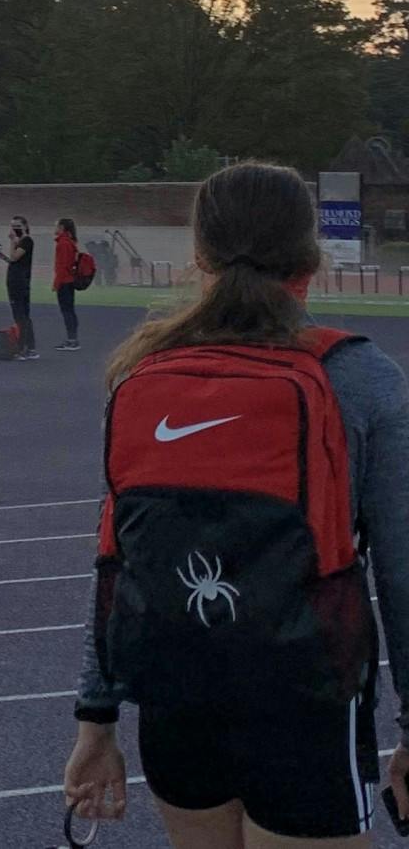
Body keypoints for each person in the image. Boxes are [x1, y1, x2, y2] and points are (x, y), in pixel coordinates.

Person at [63, 161, 409, 848]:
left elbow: (115, 559)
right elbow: (401, 571)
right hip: (305, 704)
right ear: (310, 257)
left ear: (199, 256)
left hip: (176, 700)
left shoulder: (143, 372)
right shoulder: (359, 377)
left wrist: (95, 720)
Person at [0, 214, 38, 360]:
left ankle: (22, 347)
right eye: (13, 226)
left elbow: (15, 257)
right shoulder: (22, 242)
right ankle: (30, 347)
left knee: (20, 316)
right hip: (19, 280)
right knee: (23, 315)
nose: (15, 229)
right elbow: (15, 261)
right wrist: (3, 257)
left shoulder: (26, 241)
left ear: (25, 226)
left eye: (18, 226)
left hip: (18, 282)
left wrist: (13, 241)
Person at [52, 217, 81, 351]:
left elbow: (63, 266)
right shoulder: (69, 241)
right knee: (69, 310)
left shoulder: (63, 243)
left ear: (62, 227)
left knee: (67, 311)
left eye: (56, 226)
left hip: (64, 281)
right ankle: (73, 339)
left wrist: (56, 283)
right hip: (69, 281)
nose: (54, 228)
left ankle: (72, 340)